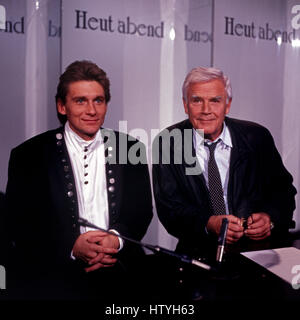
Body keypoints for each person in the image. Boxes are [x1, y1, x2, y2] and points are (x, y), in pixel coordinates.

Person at [4, 60, 153, 300]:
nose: (92, 110)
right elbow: (20, 224)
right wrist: (71, 247)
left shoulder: (130, 147)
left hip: (121, 276)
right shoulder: (28, 155)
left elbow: (141, 210)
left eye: (98, 100)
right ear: (62, 106)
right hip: (54, 281)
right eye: (80, 101)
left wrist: (115, 240)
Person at [152, 66, 296, 258]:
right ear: (185, 105)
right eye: (197, 100)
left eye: (215, 100)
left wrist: (270, 219)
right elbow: (169, 209)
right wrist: (208, 223)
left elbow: (283, 191)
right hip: (199, 255)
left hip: (259, 252)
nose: (206, 110)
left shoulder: (257, 137)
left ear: (227, 105)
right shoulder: (169, 142)